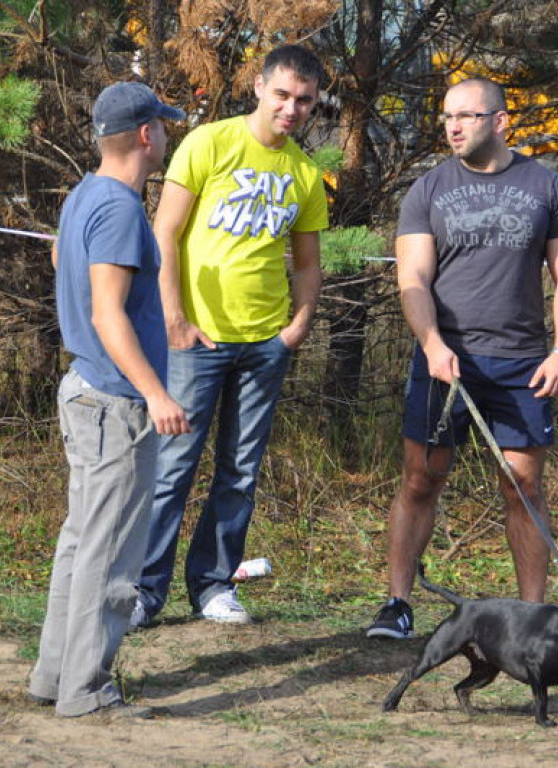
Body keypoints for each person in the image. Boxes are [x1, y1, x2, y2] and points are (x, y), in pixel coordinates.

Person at [366, 77, 558, 639]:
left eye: (466, 116)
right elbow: (412, 276)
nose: (454, 127)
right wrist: (432, 343)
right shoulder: (428, 190)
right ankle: (397, 604)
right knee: (421, 479)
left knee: (523, 487)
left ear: (501, 121)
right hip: (445, 360)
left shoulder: (547, 187)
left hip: (521, 364)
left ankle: (533, 617)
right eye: (446, 117)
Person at [132, 45, 329, 627]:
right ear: (260, 89)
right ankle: (144, 590)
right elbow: (163, 233)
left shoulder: (304, 172)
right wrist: (174, 318)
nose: (291, 109)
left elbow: (308, 262)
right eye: (283, 95)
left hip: (264, 344)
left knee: (240, 472)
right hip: (196, 341)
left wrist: (299, 324)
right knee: (172, 467)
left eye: (305, 101)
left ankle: (214, 584)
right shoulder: (209, 143)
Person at [28, 81, 191, 716]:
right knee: (112, 554)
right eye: (165, 126)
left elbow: (63, 265)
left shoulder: (86, 196)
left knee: (81, 543)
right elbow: (107, 315)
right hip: (116, 403)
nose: (169, 135)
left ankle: (54, 677)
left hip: (87, 392)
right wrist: (155, 393)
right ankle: (87, 690)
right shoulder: (121, 208)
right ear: (146, 135)